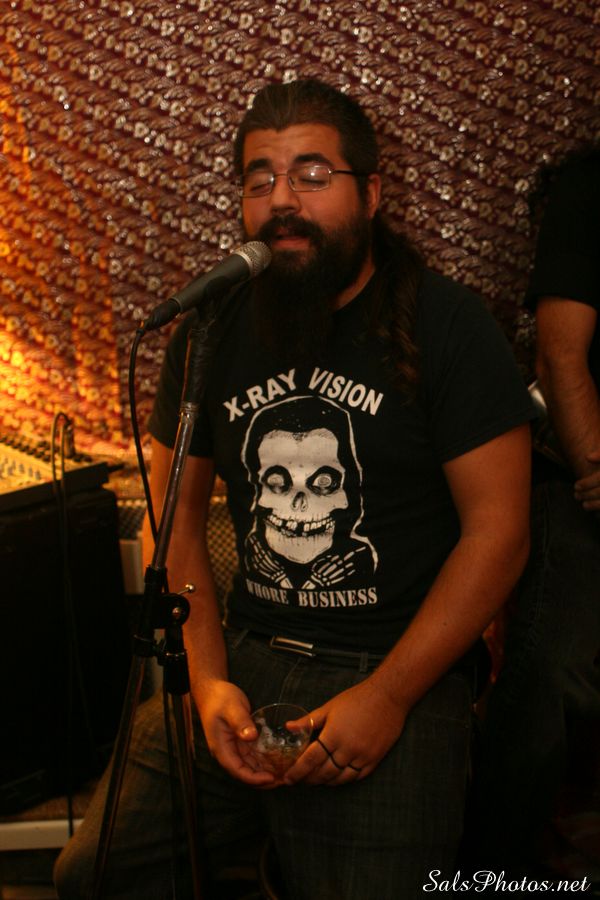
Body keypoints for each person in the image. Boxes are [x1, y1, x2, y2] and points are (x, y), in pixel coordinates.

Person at [54, 78, 534, 899]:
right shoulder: (211, 332)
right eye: (260, 179)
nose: (282, 199)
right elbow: (174, 524)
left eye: (312, 175)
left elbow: (500, 534)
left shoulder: (450, 326)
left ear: (372, 193)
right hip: (244, 659)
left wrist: (387, 698)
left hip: (398, 670)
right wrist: (208, 683)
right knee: (88, 877)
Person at [469, 148, 600, 876]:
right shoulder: (590, 185)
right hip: (583, 472)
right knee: (552, 672)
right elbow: (561, 358)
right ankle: (494, 874)